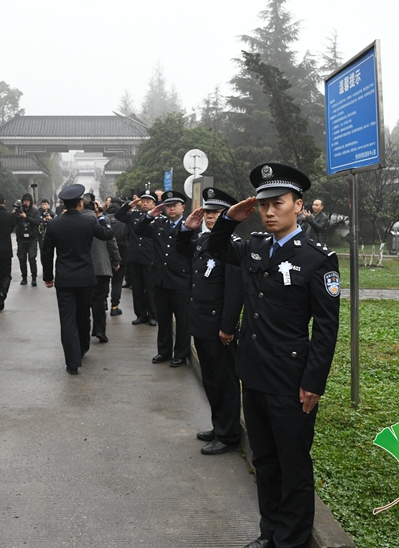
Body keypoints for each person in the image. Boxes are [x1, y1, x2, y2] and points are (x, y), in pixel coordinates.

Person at [208, 162, 340, 548]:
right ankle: (270, 534)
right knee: (264, 462)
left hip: (291, 380)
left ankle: (292, 541)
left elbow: (326, 330)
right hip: (255, 373)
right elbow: (212, 247)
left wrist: (314, 381)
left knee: (293, 466)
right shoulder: (254, 247)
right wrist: (231, 218)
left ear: (298, 206)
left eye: (277, 203)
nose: (268, 211)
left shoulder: (317, 259)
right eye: (263, 204)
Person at [177, 187, 244, 455]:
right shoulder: (205, 241)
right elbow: (182, 249)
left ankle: (228, 435)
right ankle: (219, 426)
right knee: (211, 380)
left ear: (228, 216)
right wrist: (187, 227)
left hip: (219, 327)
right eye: (208, 212)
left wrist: (227, 327)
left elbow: (234, 291)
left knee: (225, 381)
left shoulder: (233, 247)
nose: (211, 217)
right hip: (202, 323)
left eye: (217, 213)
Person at [41, 184, 116, 375]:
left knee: (67, 319)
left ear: (63, 204)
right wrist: (100, 216)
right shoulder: (89, 223)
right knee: (83, 316)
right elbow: (108, 234)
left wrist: (48, 277)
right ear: (80, 203)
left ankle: (72, 362)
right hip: (86, 278)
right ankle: (82, 348)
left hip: (65, 279)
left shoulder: (54, 224)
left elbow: (46, 253)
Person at [134, 190, 192, 367]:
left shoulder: (191, 225)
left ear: (183, 207)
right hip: (161, 280)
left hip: (181, 280)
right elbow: (138, 229)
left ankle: (181, 354)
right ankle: (164, 351)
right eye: (168, 205)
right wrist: (149, 215)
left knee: (182, 321)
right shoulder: (159, 224)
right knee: (164, 319)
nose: (171, 208)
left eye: (174, 205)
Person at [114, 190, 158, 327]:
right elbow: (118, 215)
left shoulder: (158, 217)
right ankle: (140, 314)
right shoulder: (134, 215)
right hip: (134, 256)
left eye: (148, 201)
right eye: (143, 201)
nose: (145, 204)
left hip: (150, 257)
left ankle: (153, 315)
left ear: (154, 204)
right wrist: (128, 205)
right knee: (137, 288)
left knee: (150, 289)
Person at [84, 200, 120, 343]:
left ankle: (83, 332)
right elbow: (111, 241)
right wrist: (116, 259)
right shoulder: (101, 220)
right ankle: (100, 330)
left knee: (83, 302)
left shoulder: (72, 220)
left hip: (81, 269)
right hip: (100, 268)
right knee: (99, 300)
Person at [107, 201, 129, 316]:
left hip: (106, 254)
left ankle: (103, 302)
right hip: (122, 254)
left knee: (105, 281)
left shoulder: (103, 220)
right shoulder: (124, 221)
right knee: (117, 281)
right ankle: (114, 307)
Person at [15, 193, 42, 286]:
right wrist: (15, 214)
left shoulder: (35, 211)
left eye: (27, 201)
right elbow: (13, 223)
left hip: (32, 239)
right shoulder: (19, 211)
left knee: (32, 258)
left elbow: (37, 222)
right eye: (24, 201)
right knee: (22, 259)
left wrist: (26, 217)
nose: (26, 202)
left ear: (31, 202)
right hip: (21, 239)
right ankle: (24, 277)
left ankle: (34, 278)